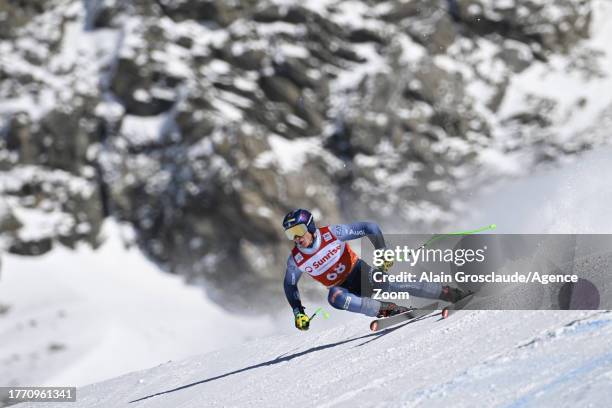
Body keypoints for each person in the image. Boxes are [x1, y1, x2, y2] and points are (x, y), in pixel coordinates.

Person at [282, 209, 469, 331]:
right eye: (290, 234)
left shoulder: (331, 233)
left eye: (298, 230)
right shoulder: (296, 260)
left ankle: (448, 292)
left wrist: (383, 253)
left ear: (310, 226)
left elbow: (369, 227)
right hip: (344, 289)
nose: (296, 238)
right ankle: (388, 310)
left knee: (387, 284)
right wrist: (298, 312)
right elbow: (289, 285)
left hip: (360, 273)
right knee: (334, 297)